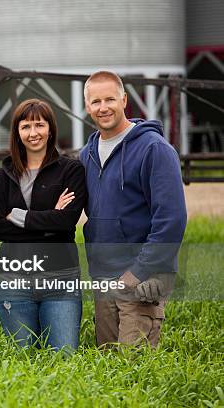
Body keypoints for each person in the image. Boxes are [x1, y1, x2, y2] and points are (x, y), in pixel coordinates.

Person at [80, 71, 187, 348]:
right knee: (106, 360)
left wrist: (137, 272)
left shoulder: (154, 149)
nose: (103, 107)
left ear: (124, 100)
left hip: (142, 277)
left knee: (133, 365)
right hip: (104, 276)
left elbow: (171, 220)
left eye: (110, 99)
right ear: (87, 106)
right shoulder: (87, 154)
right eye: (95, 102)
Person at [0, 98, 87, 351]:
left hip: (60, 280)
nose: (33, 133)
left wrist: (18, 216)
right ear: (17, 133)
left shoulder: (71, 171)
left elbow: (66, 222)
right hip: (15, 281)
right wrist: (49, 217)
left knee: (63, 356)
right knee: (23, 359)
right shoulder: (1, 177)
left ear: (50, 129)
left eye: (39, 125)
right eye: (26, 127)